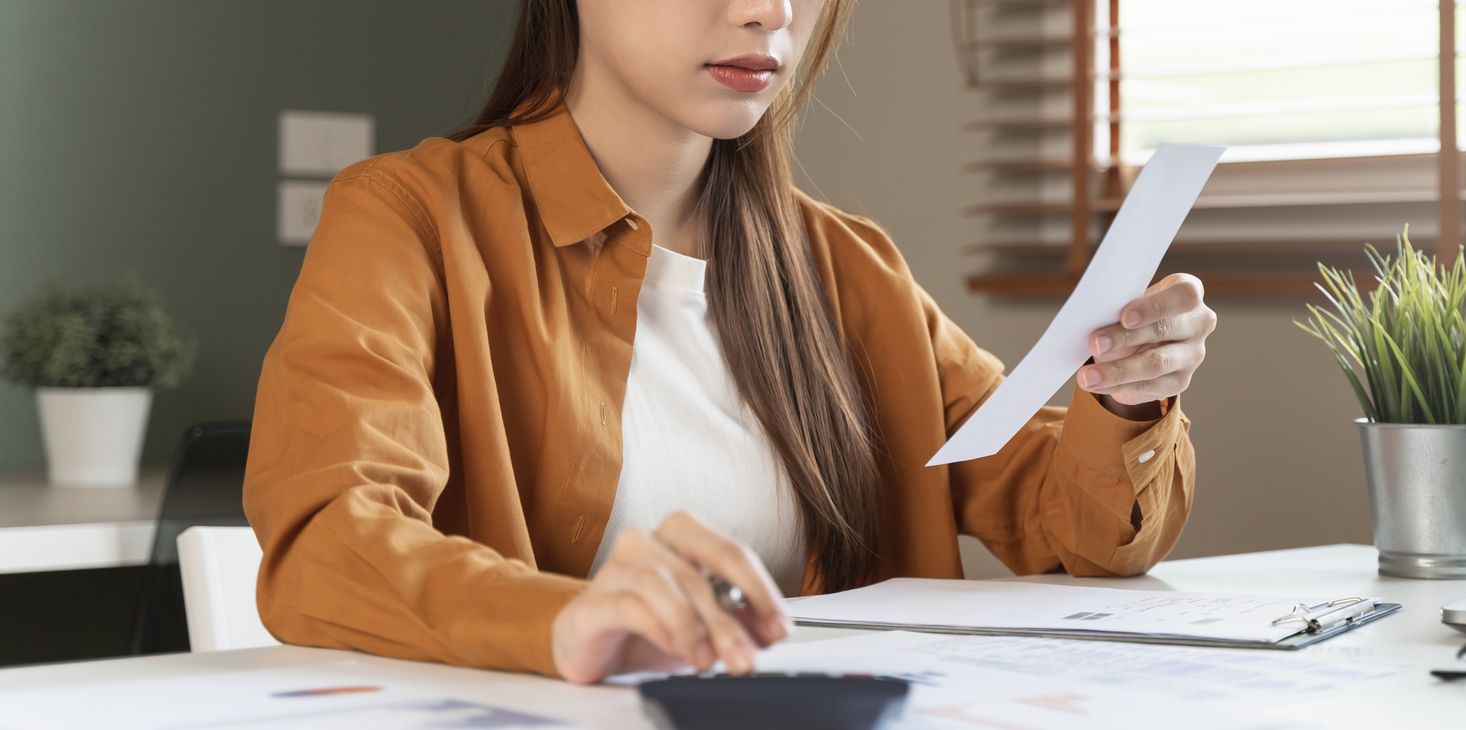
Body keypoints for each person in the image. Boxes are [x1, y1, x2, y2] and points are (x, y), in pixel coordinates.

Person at [243, 0, 1214, 686]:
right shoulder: (409, 219)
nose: (768, 11)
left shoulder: (846, 268)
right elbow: (327, 543)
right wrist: (559, 620)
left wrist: (1124, 397)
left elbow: (1070, 529)